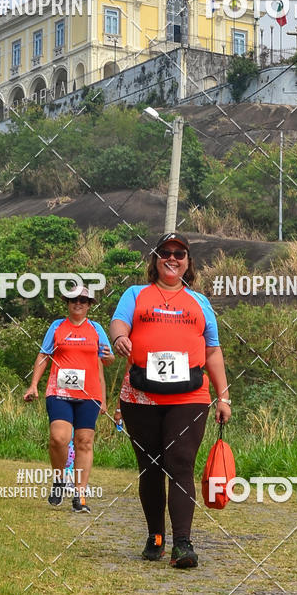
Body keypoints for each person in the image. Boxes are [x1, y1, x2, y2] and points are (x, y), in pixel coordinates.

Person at [110, 232, 231, 569]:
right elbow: (118, 322)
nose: (173, 258)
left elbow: (213, 350)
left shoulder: (200, 302)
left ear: (188, 262)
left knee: (180, 464)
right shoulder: (136, 294)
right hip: (141, 395)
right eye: (166, 252)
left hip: (190, 396)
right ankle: (156, 537)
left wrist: (224, 397)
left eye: (180, 253)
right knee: (150, 469)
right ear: (156, 259)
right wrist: (120, 337)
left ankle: (183, 543)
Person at [24, 285, 114, 512]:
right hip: (59, 392)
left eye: (84, 300)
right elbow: (44, 355)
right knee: (58, 438)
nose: (79, 303)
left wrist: (110, 357)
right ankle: (58, 480)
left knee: (84, 442)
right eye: (74, 299)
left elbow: (107, 359)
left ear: (89, 305)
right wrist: (34, 384)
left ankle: (79, 495)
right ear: (67, 302)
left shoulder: (96, 328)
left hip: (88, 394)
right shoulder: (57, 327)